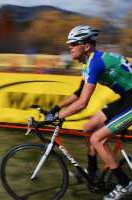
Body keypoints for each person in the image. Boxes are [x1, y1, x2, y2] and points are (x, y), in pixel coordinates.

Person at [46, 25, 132, 200]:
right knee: (88, 127)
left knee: (96, 138)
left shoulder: (96, 62)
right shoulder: (90, 62)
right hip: (126, 98)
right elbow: (78, 94)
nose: (69, 46)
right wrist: (56, 108)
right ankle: (92, 173)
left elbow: (82, 103)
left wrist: (56, 117)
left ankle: (125, 185)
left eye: (73, 43)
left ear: (86, 46)